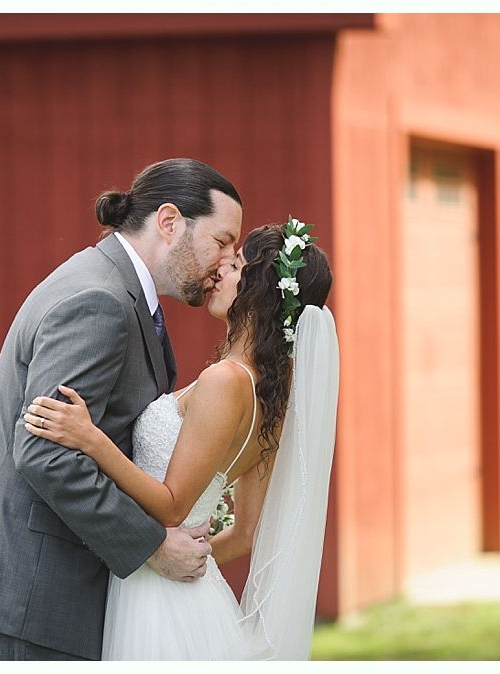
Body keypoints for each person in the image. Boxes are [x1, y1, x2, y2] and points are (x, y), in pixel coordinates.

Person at [0, 158, 244, 660]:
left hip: (60, 591)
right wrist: (152, 545)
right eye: (222, 242)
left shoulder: (127, 296)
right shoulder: (100, 300)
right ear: (169, 222)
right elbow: (46, 453)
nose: (225, 263)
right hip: (32, 594)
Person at [23, 219, 340, 659]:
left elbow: (172, 504)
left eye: (234, 267)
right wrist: (184, 556)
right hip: (193, 595)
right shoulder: (271, 396)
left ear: (260, 294)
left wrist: (90, 438)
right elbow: (246, 533)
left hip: (160, 606)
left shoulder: (224, 380)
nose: (218, 273)